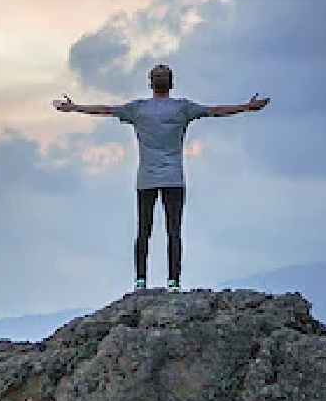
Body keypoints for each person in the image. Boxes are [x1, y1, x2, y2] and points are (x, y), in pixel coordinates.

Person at [53, 63, 269, 293]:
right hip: (170, 178)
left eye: (160, 75)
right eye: (160, 75)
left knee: (146, 230)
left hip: (151, 178)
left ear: (153, 83)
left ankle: (144, 281)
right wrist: (246, 107)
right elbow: (214, 110)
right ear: (169, 83)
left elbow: (106, 109)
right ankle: (169, 282)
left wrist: (75, 107)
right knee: (171, 230)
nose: (160, 78)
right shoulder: (177, 108)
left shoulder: (143, 109)